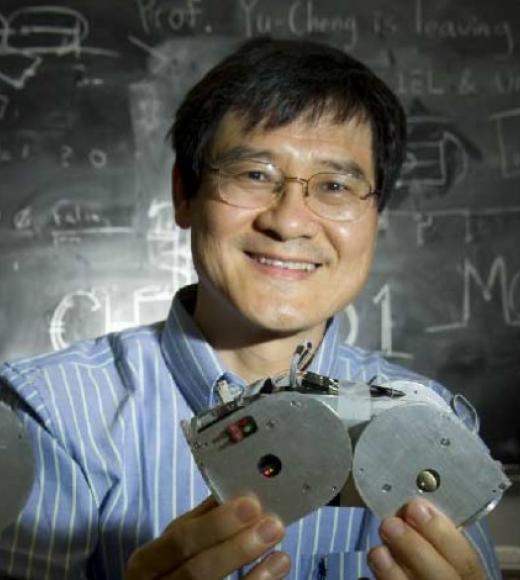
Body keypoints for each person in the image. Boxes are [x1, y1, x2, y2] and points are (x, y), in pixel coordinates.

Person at [0, 37, 500, 580]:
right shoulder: (52, 416)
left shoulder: (432, 427)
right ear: (184, 194)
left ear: (378, 215)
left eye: (335, 186)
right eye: (254, 175)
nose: (289, 221)